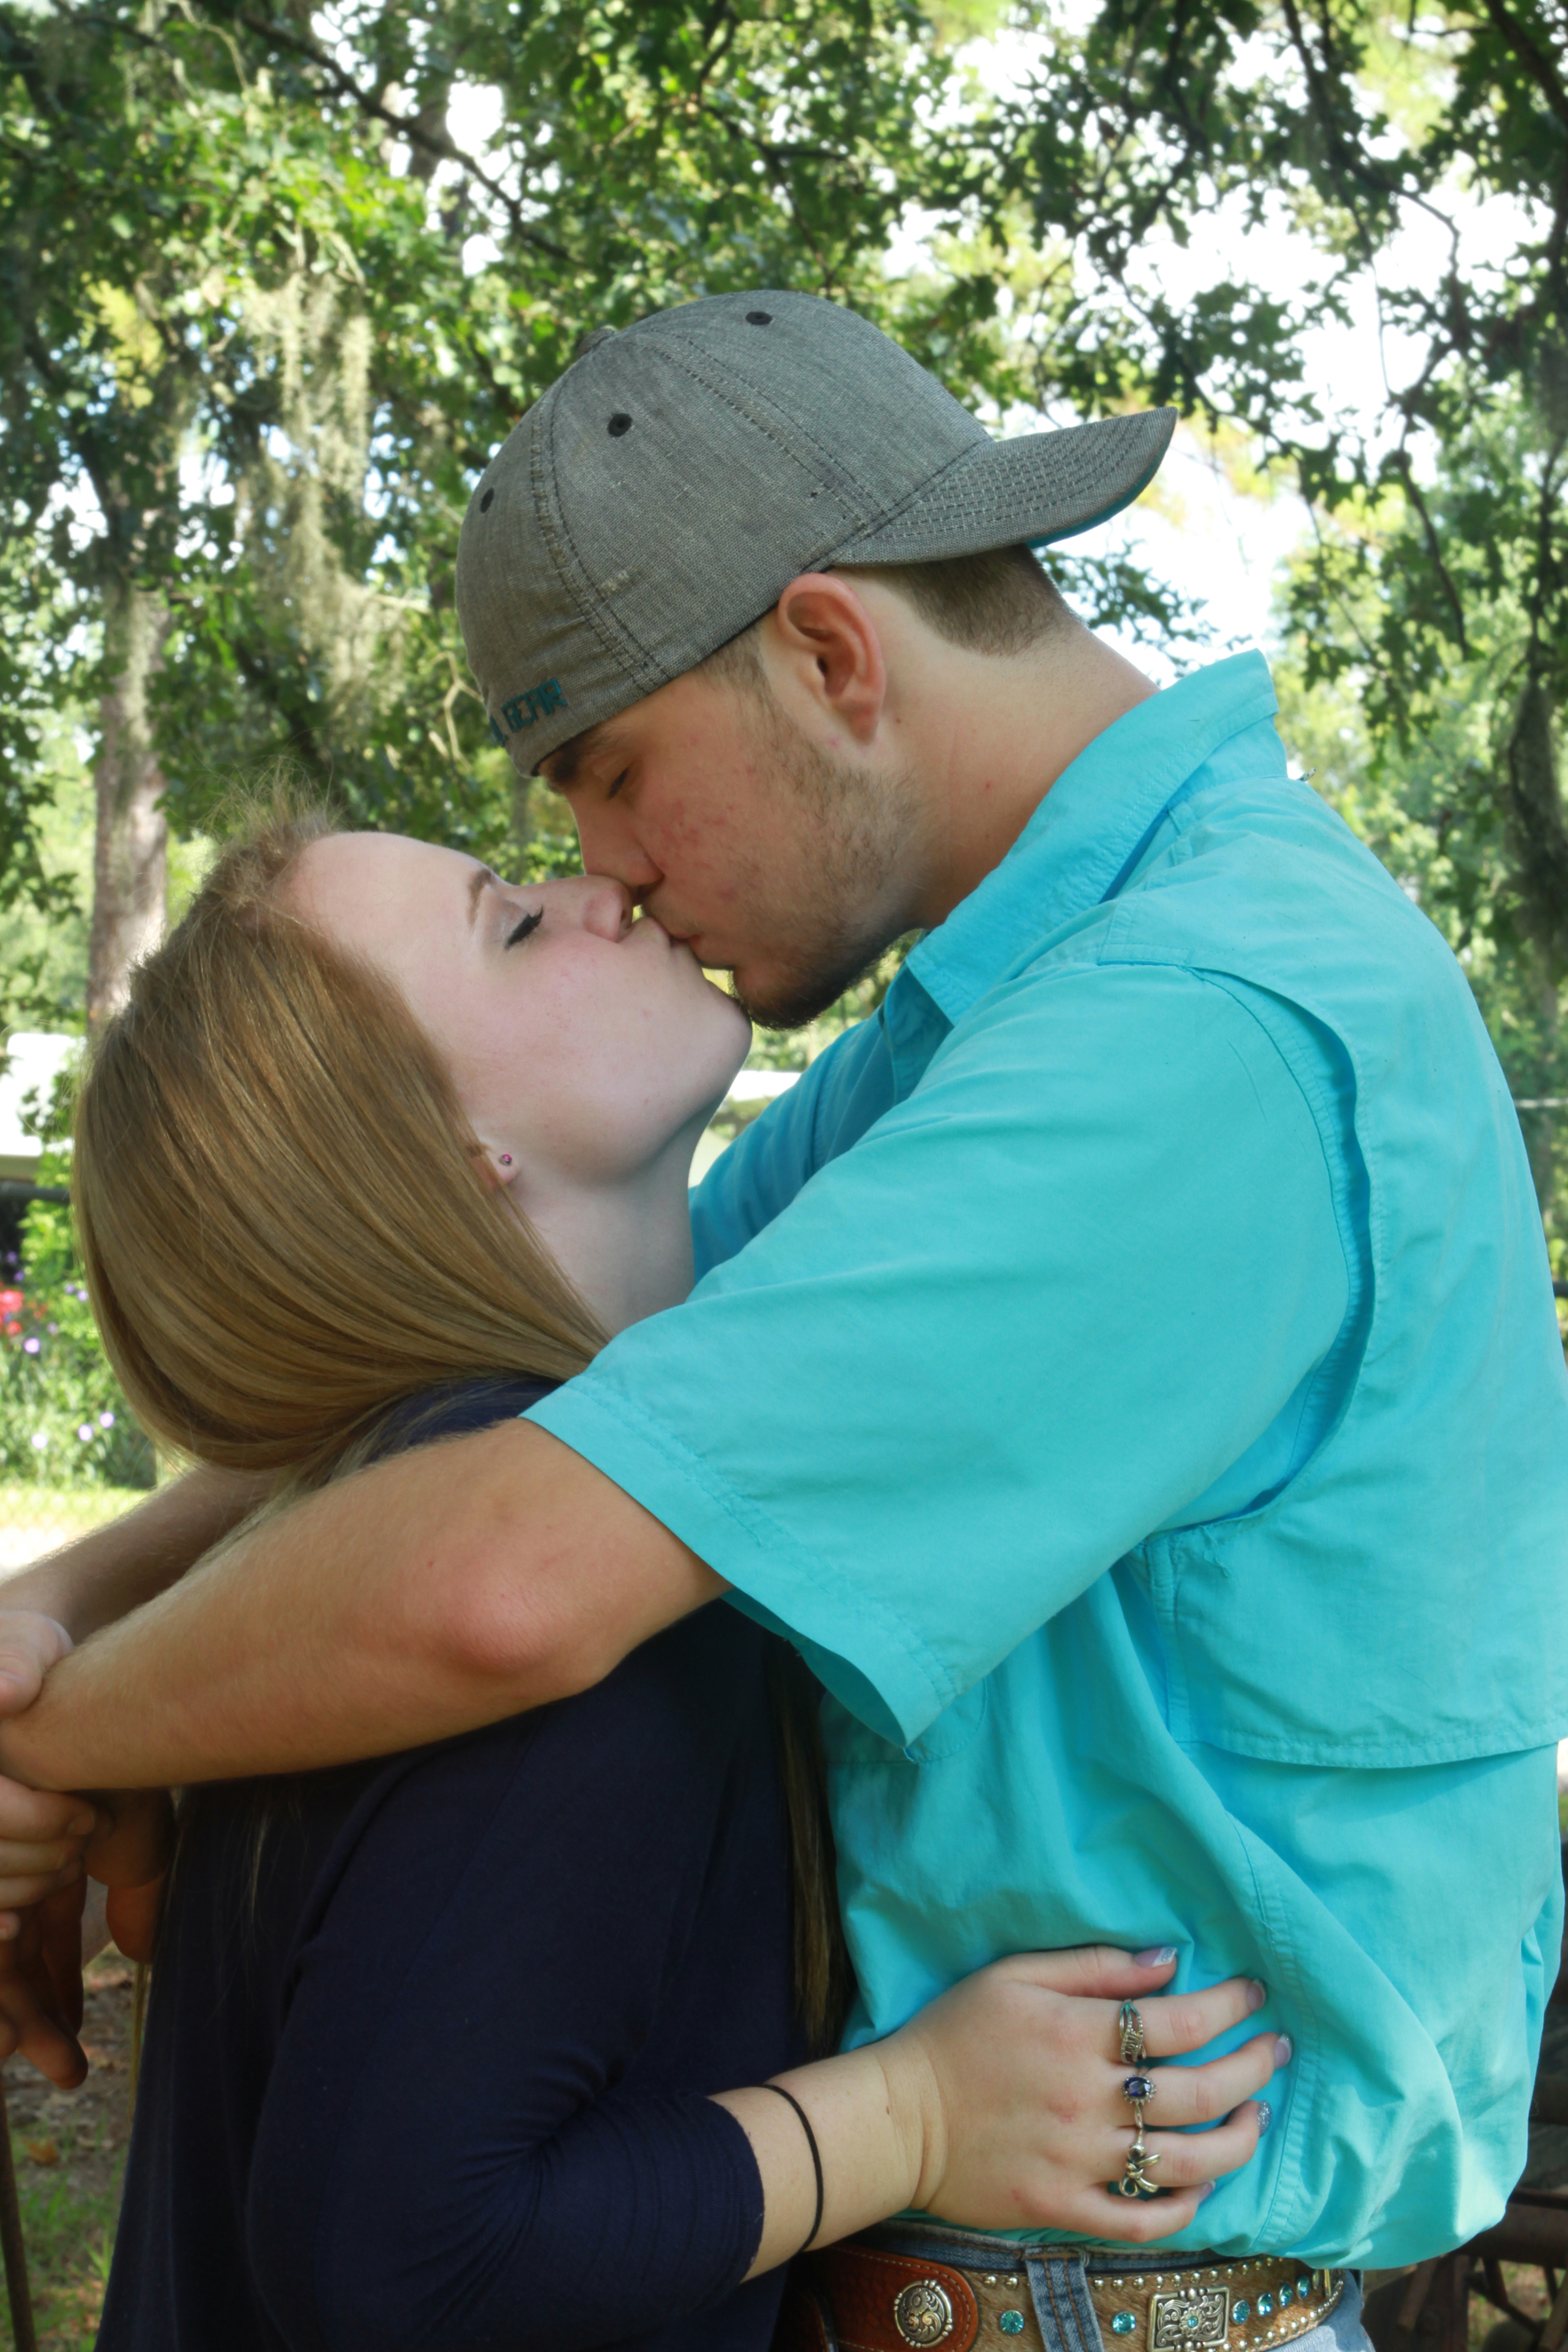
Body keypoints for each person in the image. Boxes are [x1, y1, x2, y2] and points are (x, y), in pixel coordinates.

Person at [0, 289, 1563, 2347]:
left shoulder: (1193, 1032)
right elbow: (597, 1387)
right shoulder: (981, 1033)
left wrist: (62, 1735)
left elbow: (513, 1567)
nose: (606, 871)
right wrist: (69, 1601)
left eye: (612, 773)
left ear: (831, 658)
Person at [71, 812, 1275, 2349]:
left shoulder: (378, 1527)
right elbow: (403, 2260)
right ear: (457, 1151)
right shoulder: (582, 1591)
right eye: (512, 926)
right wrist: (913, 2115)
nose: (596, 888)